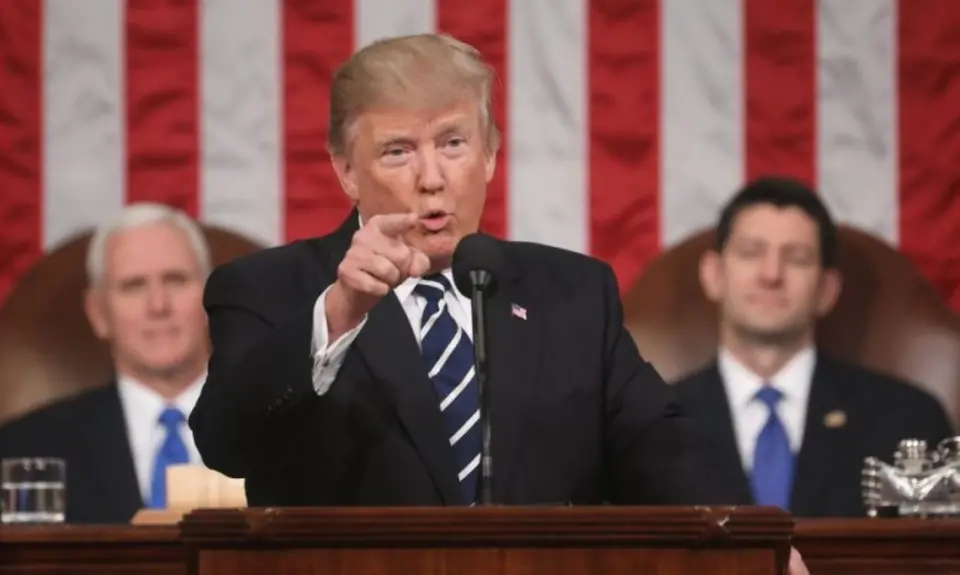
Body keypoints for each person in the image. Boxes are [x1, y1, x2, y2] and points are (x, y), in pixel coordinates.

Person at [188, 34, 809, 573]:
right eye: (398, 150)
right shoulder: (270, 290)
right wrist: (340, 312)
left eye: (453, 143)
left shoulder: (571, 294)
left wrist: (755, 544)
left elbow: (662, 448)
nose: (432, 178)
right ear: (346, 170)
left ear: (489, 155)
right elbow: (226, 442)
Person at [672, 177, 955, 518]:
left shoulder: (908, 421)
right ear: (713, 274)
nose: (772, 275)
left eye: (797, 258)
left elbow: (937, 549)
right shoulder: (646, 428)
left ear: (827, 289)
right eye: (751, 253)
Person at [0, 203, 212, 523]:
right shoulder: (25, 447)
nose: (158, 305)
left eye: (175, 280)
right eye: (133, 286)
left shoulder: (283, 435)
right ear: (98, 312)